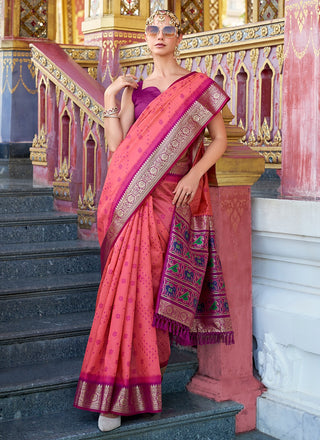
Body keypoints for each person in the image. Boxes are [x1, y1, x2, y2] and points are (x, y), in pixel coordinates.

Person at [74, 9, 234, 432]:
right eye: (152, 30)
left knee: (149, 289)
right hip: (132, 199)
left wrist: (197, 174)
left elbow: (218, 140)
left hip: (173, 197)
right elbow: (118, 147)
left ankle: (143, 380)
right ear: (145, 39)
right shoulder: (136, 90)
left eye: (167, 29)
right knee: (127, 287)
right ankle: (115, 391)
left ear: (178, 38)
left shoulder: (198, 87)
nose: (160, 35)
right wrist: (110, 97)